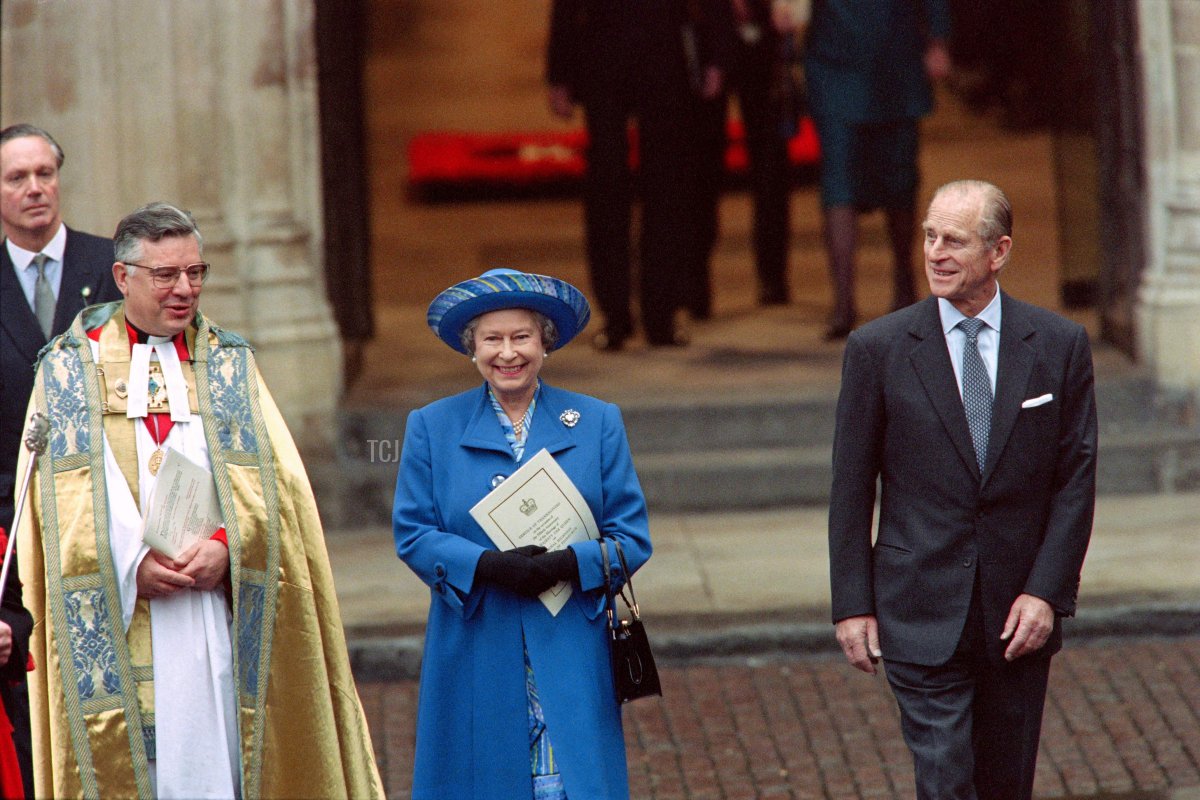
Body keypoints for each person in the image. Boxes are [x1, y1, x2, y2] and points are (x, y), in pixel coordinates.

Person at [16, 202, 384, 798]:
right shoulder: (66, 371)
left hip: (215, 612)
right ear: (122, 277)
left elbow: (277, 493)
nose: (185, 289)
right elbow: (54, 506)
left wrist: (228, 548)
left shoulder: (229, 365)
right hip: (123, 611)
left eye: (196, 272)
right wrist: (134, 563)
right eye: (165, 275)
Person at [828, 180, 1098, 799]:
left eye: (955, 240)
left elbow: (1075, 482)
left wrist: (1047, 592)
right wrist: (852, 602)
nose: (936, 252)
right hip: (918, 604)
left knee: (1006, 785)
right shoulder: (878, 348)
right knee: (945, 781)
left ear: (998, 252)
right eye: (929, 236)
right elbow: (850, 486)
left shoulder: (1058, 345)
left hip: (1017, 615)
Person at [393, 268, 653, 799]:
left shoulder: (598, 422)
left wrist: (567, 564)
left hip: (570, 644)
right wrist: (486, 566)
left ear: (544, 344)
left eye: (521, 337)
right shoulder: (432, 425)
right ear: (472, 348)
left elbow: (631, 536)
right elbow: (414, 533)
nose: (507, 353)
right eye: (492, 339)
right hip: (475, 637)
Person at [0, 122, 121, 799]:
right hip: (13, 525)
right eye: (17, 178)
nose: (35, 188)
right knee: (34, 692)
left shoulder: (115, 268)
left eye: (44, 173)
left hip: (111, 516)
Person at [546, 0, 723, 349]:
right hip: (604, 48)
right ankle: (616, 313)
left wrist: (714, 54)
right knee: (607, 188)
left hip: (663, 49)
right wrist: (559, 73)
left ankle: (661, 313)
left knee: (667, 187)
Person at [803, 0, 951, 338]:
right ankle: (846, 299)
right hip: (842, 55)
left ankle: (898, 281)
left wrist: (938, 38)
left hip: (891, 55)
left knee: (895, 176)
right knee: (842, 178)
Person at [694, 0, 797, 313]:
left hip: (762, 28)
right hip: (709, 27)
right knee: (703, 164)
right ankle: (695, 277)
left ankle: (772, 274)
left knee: (770, 166)